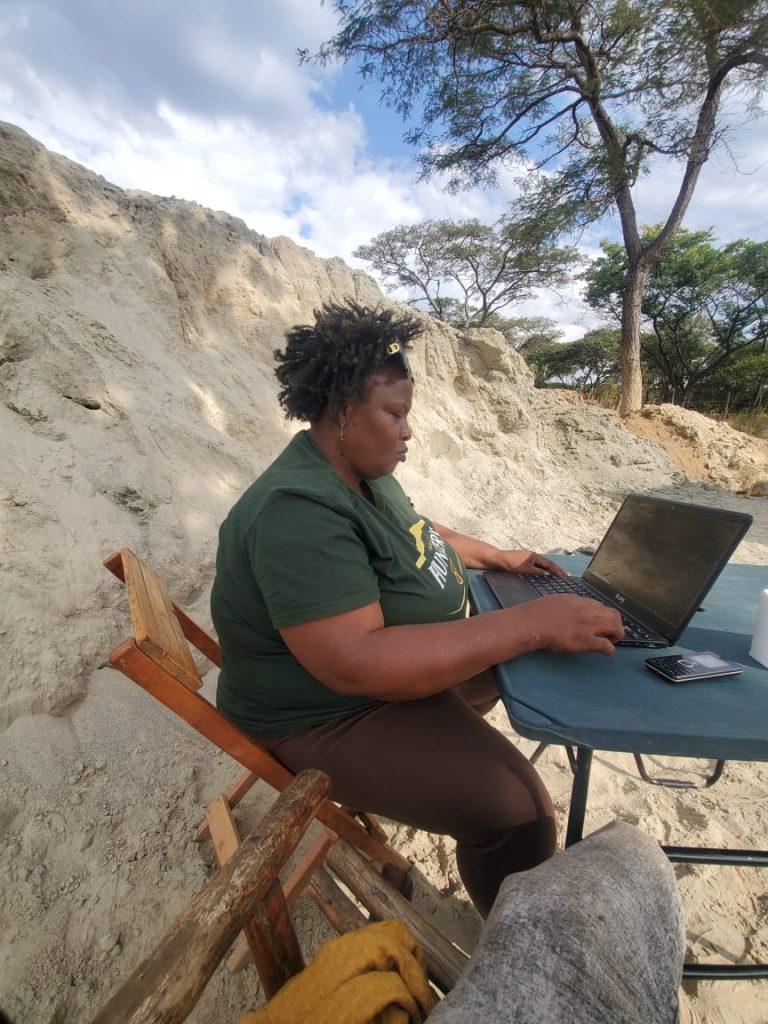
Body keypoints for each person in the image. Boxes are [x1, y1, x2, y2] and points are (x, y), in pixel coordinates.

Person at [211, 301, 624, 917]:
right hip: (323, 715)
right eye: (396, 414)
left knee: (517, 672)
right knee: (519, 810)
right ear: (344, 410)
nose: (408, 430)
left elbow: (413, 529)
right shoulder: (296, 511)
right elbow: (357, 664)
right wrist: (529, 622)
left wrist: (494, 555)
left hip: (365, 689)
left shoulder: (360, 472)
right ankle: (513, 949)